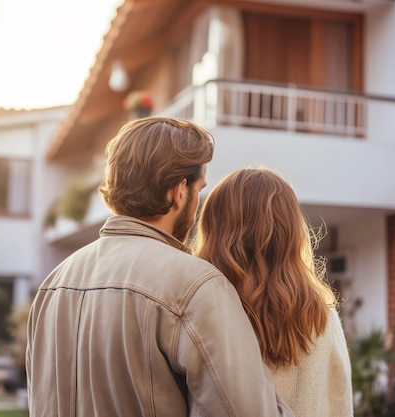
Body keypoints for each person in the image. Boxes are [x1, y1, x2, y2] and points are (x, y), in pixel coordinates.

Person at [26, 118, 293, 417]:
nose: (196, 204)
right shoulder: (195, 284)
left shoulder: (54, 283)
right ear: (178, 191)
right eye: (199, 189)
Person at [193, 167, 354, 417]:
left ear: (213, 231)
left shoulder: (199, 311)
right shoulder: (321, 316)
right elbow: (338, 403)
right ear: (290, 231)